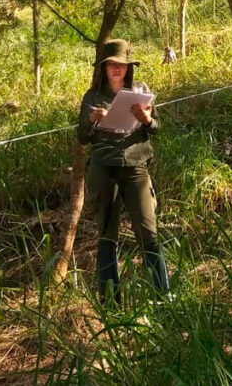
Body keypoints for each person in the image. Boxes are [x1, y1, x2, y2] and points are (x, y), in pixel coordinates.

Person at [77, 39, 169, 301]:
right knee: (107, 235)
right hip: (104, 168)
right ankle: (110, 300)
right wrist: (93, 120)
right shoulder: (92, 97)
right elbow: (82, 137)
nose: (117, 70)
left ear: (129, 68)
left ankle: (163, 297)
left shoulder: (141, 91)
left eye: (122, 65)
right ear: (104, 68)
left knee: (148, 232)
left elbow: (156, 127)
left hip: (135, 166)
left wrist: (146, 119)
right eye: (112, 65)